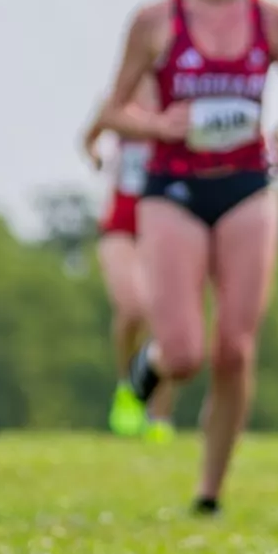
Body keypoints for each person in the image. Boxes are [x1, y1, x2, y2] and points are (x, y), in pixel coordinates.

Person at [93, 0, 278, 512]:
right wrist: (157, 124)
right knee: (188, 352)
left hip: (248, 186)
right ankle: (150, 366)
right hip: (173, 189)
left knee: (235, 349)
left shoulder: (274, 19)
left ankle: (209, 490)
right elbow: (112, 111)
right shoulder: (154, 21)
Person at [87, 120, 176, 441]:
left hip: (168, 217)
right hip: (121, 222)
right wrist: (96, 156)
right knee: (132, 309)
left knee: (165, 322)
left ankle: (160, 416)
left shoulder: (177, 90)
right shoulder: (119, 98)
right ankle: (128, 387)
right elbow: (90, 137)